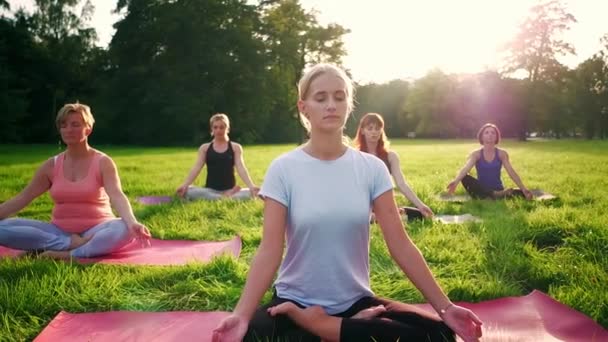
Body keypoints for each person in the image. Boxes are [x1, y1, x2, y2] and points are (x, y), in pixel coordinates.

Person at [212, 64, 483, 342]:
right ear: (303, 107)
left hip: (356, 302)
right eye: (321, 98)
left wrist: (446, 307)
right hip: (294, 303)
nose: (331, 105)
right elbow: (269, 250)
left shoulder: (371, 169)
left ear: (349, 104)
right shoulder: (284, 169)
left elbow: (400, 244)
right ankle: (334, 327)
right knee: (253, 337)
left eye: (339, 97)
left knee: (438, 334)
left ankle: (326, 327)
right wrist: (242, 315)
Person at [0, 103, 151, 259]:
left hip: (98, 229)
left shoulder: (103, 162)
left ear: (88, 129)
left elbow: (117, 195)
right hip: (59, 231)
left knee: (124, 228)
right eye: (64, 125)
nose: (68, 129)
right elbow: (23, 198)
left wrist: (132, 222)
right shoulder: (50, 166)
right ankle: (68, 245)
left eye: (75, 124)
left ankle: (67, 254)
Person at [355, 113, 433, 221]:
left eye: (377, 128)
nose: (374, 132)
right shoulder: (356, 157)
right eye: (370, 128)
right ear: (362, 131)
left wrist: (421, 205)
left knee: (419, 215)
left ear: (382, 131)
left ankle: (386, 215)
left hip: (383, 202)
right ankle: (379, 217)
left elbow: (401, 184)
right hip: (362, 204)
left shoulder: (391, 156)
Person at [176, 113, 259, 201]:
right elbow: (196, 168)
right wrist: (185, 185)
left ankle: (222, 197)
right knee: (189, 190)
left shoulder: (235, 147)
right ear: (211, 129)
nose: (218, 130)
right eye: (215, 127)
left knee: (252, 193)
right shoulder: (205, 148)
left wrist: (251, 186)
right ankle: (225, 197)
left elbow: (241, 167)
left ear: (227, 129)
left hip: (230, 189)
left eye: (222, 127)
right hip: (210, 190)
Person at [446, 123, 532, 200]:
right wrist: (456, 181)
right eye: (486, 132)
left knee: (522, 193)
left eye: (493, 133)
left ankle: (495, 195)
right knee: (465, 177)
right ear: (482, 137)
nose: (490, 134)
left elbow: (511, 172)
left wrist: (523, 189)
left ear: (496, 137)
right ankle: (495, 195)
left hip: (498, 188)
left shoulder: (502, 154)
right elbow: (466, 168)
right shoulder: (477, 154)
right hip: (481, 189)